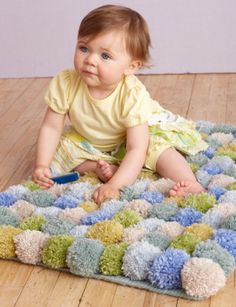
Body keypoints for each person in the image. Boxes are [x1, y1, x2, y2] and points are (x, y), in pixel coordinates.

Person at [32, 4, 208, 204]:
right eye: (84, 48)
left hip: (132, 138)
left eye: (105, 56)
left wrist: (114, 186)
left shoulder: (132, 94)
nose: (90, 60)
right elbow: (51, 127)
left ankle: (189, 182)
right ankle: (99, 167)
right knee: (61, 148)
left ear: (131, 67)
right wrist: (41, 165)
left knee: (160, 150)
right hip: (90, 140)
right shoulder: (65, 82)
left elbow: (136, 148)